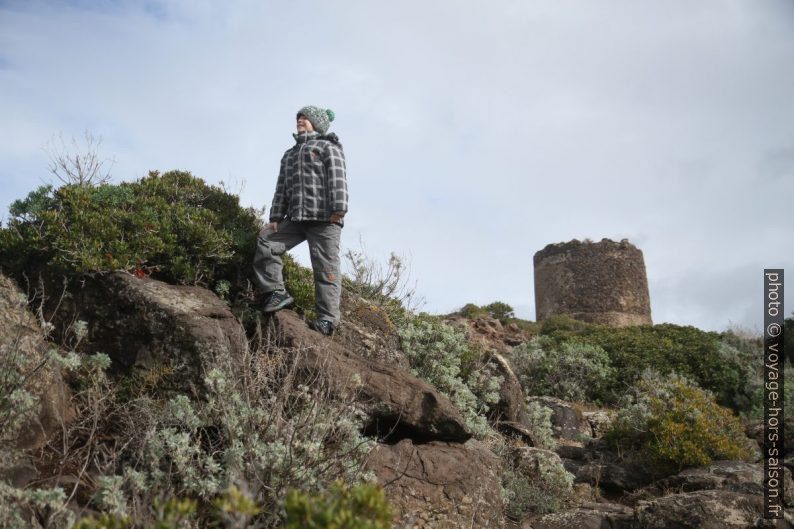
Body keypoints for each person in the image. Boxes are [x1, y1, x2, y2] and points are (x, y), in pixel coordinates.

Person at [252, 105, 347, 336]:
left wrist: (339, 209)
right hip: (295, 218)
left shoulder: (327, 147)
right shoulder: (290, 154)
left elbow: (338, 178)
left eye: (305, 117)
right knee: (266, 241)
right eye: (299, 117)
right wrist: (275, 217)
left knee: (326, 269)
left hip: (325, 219)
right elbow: (282, 188)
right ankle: (276, 292)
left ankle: (327, 320)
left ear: (316, 123)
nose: (300, 120)